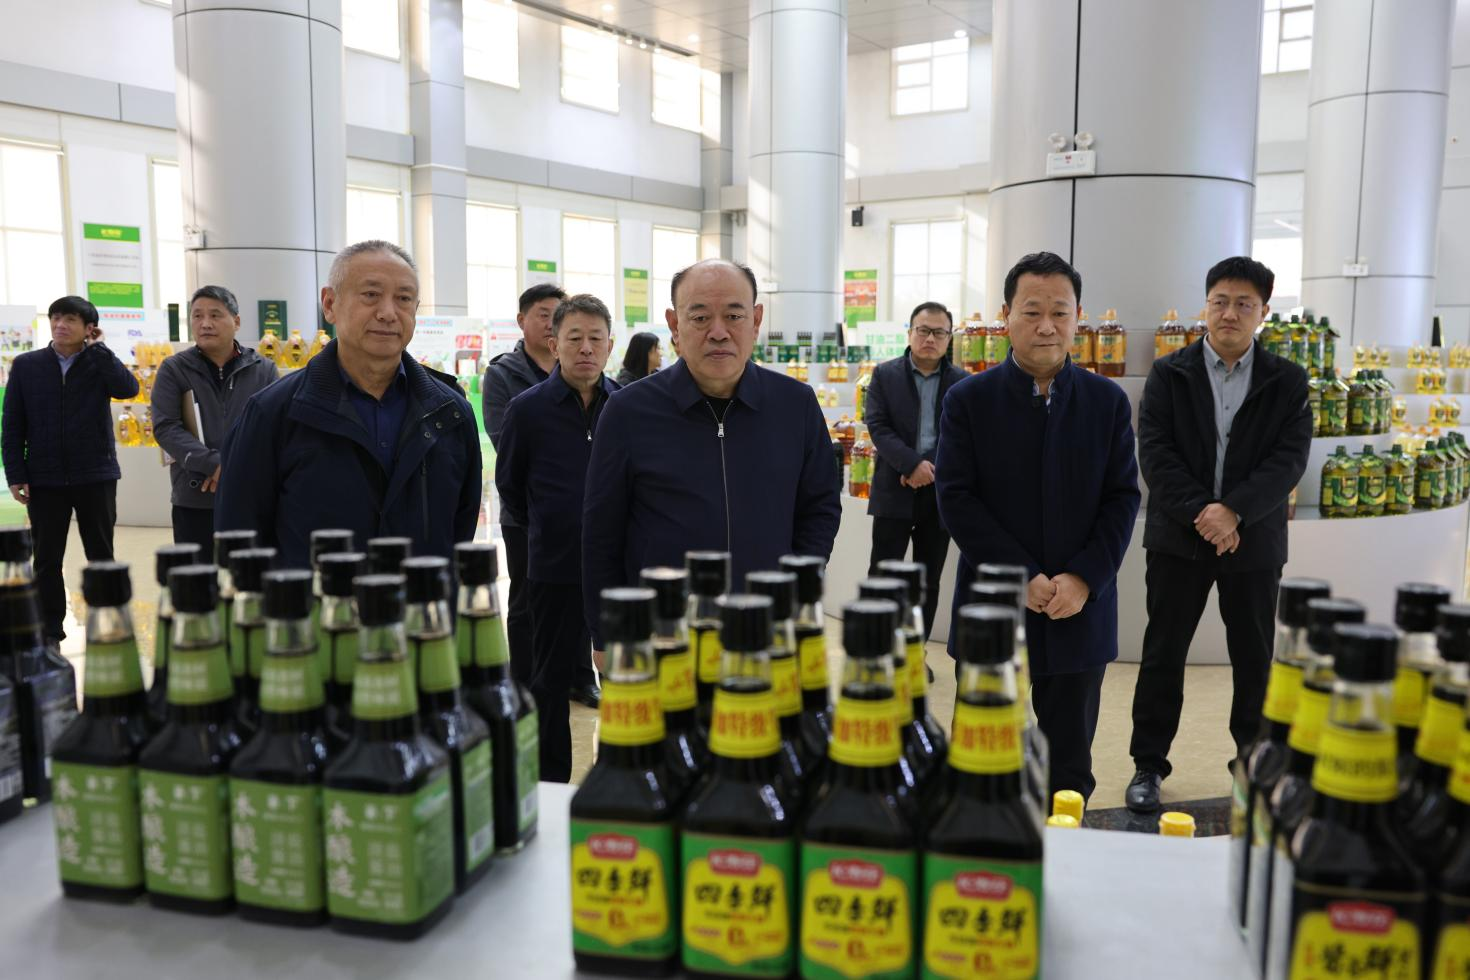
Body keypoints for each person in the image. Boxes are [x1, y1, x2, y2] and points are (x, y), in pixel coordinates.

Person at [936, 251, 1140, 802]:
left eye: (1060, 312)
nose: (1046, 325)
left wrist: (1085, 578)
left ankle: (1062, 849)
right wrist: (1018, 576)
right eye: (1031, 311)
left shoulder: (1106, 402)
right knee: (981, 761)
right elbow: (956, 498)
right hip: (993, 609)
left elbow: (1122, 498)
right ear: (1006, 315)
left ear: (1078, 317)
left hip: (1079, 610)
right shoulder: (968, 400)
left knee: (1067, 769)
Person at [1124, 256, 1311, 813]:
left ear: (1263, 312)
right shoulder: (1169, 373)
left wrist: (1234, 513)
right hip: (1179, 539)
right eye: (1220, 301)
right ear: (1205, 305)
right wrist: (1204, 514)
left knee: (1254, 658)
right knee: (1163, 653)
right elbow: (1155, 454)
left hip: (1253, 542)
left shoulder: (1286, 380)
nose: (1230, 313)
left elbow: (1288, 459)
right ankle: (1147, 764)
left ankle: (1253, 765)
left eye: (1243, 304)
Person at [582, 259, 841, 648]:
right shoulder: (628, 411)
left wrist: (795, 587)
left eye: (734, 316)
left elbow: (820, 507)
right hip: (663, 630)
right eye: (700, 318)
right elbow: (601, 531)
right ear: (674, 325)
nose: (719, 333)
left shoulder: (795, 405)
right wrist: (605, 634)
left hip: (768, 626)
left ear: (756, 320)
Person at [215, 241, 481, 567]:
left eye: (403, 298)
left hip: (420, 599)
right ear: (330, 304)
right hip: (319, 599)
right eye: (370, 295)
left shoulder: (450, 412)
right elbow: (240, 539)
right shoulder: (273, 412)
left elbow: (459, 529)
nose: (388, 313)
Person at [496, 294, 620, 782]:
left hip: (616, 568)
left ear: (610, 346)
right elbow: (511, 484)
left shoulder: (626, 406)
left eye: (595, 339)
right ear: (555, 344)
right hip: (553, 564)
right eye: (575, 338)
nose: (586, 348)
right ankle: (549, 784)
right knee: (547, 681)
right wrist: (549, 525)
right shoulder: (528, 410)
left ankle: (621, 779)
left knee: (625, 675)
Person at [484, 284, 600, 709]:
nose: (551, 322)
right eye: (544, 314)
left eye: (594, 337)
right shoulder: (505, 376)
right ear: (525, 321)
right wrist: (540, 513)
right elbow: (508, 459)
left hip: (585, 524)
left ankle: (580, 677)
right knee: (528, 602)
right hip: (529, 521)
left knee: (582, 599)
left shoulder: (611, 398)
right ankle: (525, 684)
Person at [1, 296, 139, 643]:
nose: (60, 325)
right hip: (44, 478)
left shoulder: (99, 362)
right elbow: (12, 424)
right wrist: (16, 474)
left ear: (89, 328)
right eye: (56, 318)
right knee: (47, 558)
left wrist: (100, 350)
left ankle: (108, 619)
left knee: (101, 554)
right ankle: (49, 629)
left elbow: (128, 389)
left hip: (95, 475)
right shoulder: (27, 365)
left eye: (71, 320)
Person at [864, 301, 966, 640]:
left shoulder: (962, 382)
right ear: (910, 333)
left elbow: (960, 435)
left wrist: (928, 468)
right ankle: (877, 647)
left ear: (949, 338)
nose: (930, 339)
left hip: (938, 494)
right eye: (923, 330)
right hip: (894, 488)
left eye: (939, 332)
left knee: (927, 580)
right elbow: (878, 426)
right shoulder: (885, 374)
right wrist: (910, 464)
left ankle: (914, 651)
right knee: (883, 575)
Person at [151, 285, 279, 554]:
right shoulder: (174, 369)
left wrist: (233, 469)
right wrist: (214, 465)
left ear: (236, 321)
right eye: (197, 316)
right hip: (195, 496)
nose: (205, 323)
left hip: (249, 496)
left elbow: (273, 430)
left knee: (248, 573)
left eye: (215, 315)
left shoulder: (263, 370)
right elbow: (166, 428)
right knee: (197, 576)